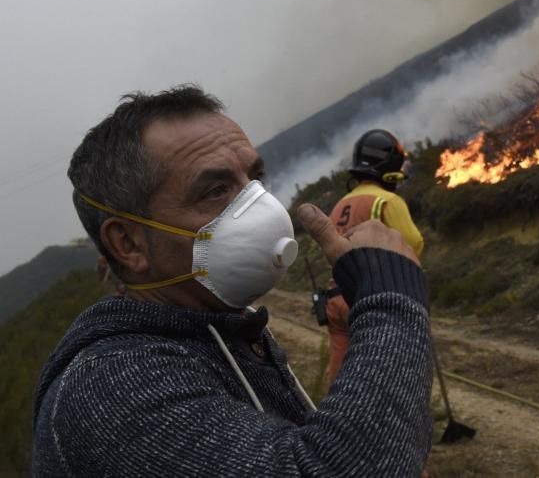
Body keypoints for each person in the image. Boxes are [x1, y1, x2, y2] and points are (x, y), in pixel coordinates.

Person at [32, 86, 433, 477]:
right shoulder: (109, 389)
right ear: (128, 244)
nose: (262, 209)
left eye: (255, 179)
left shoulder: (213, 324)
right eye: (217, 190)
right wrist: (389, 295)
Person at [324, 129, 425, 385]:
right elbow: (413, 243)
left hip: (336, 300)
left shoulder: (340, 205)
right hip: (372, 299)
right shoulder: (387, 200)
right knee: (385, 375)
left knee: (341, 375)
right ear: (390, 167)